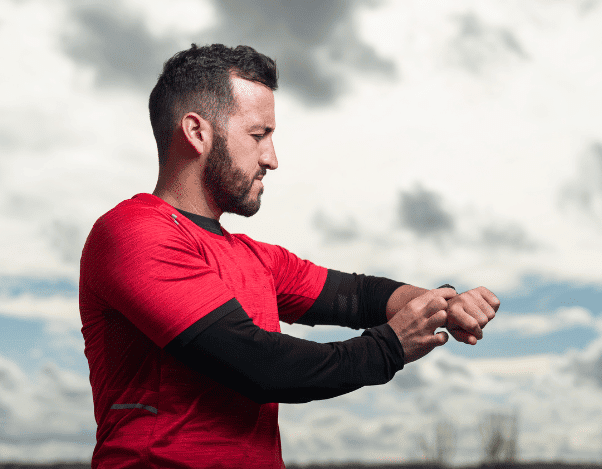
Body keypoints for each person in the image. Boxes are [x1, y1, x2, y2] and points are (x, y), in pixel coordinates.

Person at [79, 43, 500, 468]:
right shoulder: (132, 233)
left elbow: (357, 295)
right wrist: (389, 347)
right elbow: (257, 364)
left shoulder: (256, 258)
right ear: (197, 132)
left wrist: (444, 303)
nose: (272, 159)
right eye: (258, 135)